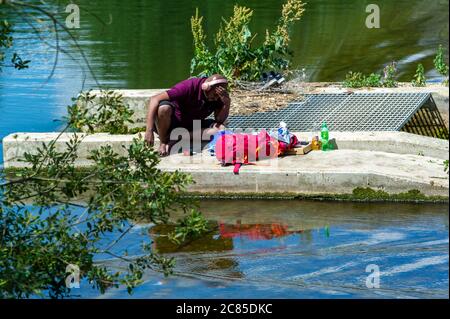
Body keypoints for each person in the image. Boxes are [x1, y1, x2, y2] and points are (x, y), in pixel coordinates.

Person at [144, 74, 231, 156]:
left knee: (220, 129)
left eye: (218, 96)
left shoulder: (220, 97)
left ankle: (178, 137)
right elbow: (154, 99)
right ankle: (164, 142)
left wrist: (226, 103)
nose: (216, 98)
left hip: (192, 126)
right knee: (164, 108)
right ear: (206, 87)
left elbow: (219, 120)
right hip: (173, 122)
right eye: (215, 95)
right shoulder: (189, 86)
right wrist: (149, 130)